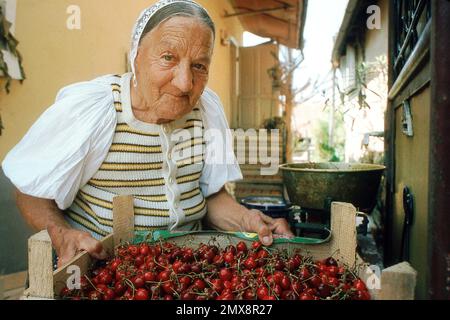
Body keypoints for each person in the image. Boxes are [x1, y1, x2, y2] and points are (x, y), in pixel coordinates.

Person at [2, 0, 293, 267]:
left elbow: (211, 195)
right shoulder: (95, 107)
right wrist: (62, 232)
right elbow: (31, 190)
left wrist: (248, 219)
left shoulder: (207, 109)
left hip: (189, 270)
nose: (184, 83)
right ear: (136, 56)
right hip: (110, 271)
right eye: (168, 58)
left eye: (199, 65)